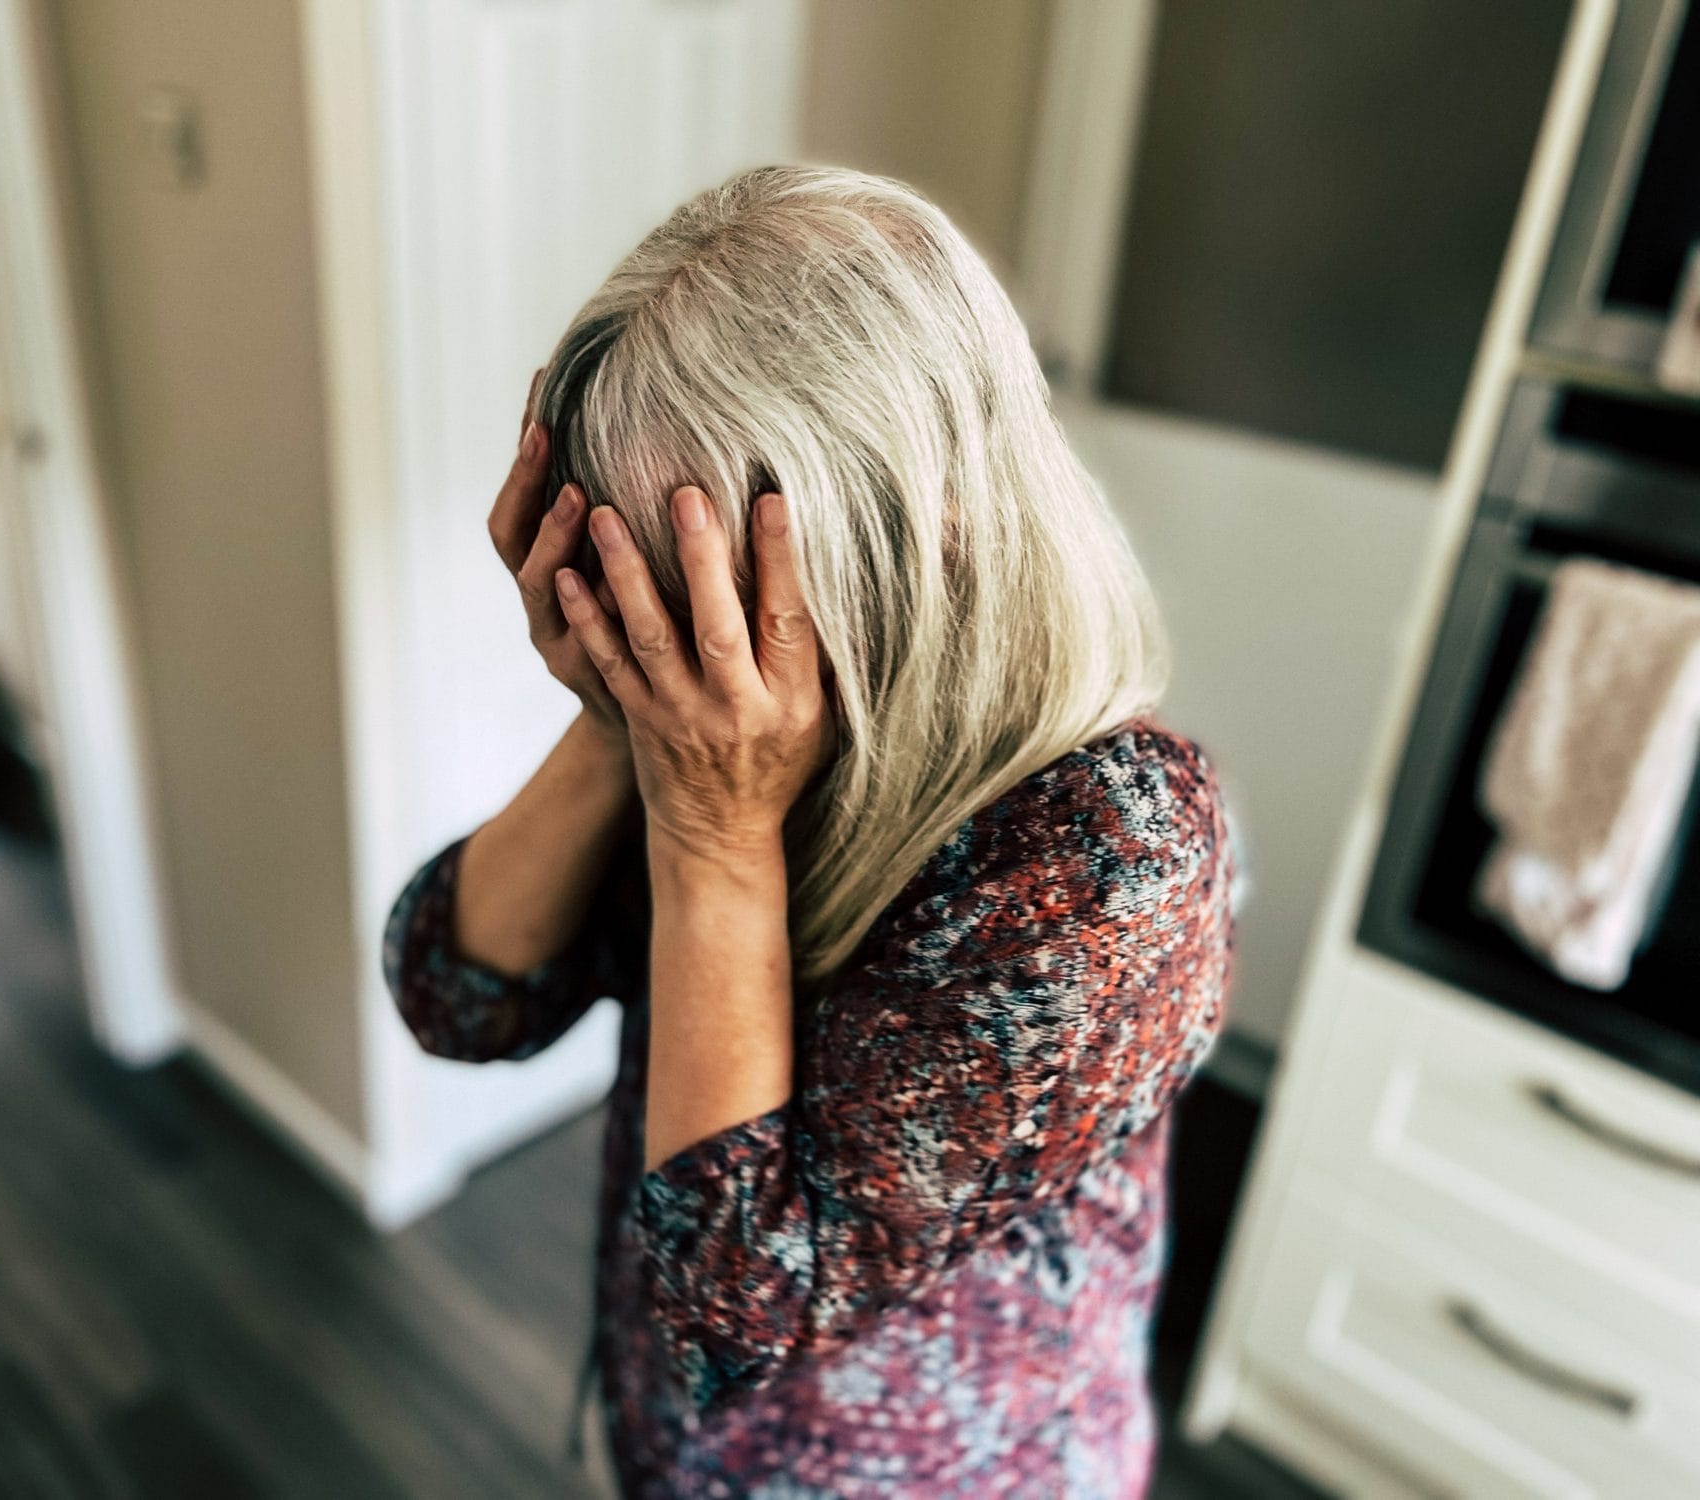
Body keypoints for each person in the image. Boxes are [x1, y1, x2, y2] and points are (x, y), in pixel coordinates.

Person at [381, 164, 1237, 1499]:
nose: (659, 632)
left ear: (930, 535)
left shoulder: (1117, 856)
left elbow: (738, 1304)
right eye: (623, 578)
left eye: (699, 584)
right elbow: (454, 993)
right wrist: (616, 715)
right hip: (671, 1446)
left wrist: (718, 840)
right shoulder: (709, 728)